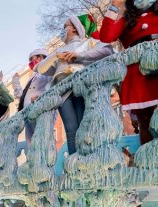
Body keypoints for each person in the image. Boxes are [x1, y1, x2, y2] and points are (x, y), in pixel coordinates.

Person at [99, 0, 158, 145]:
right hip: (138, 73)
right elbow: (106, 37)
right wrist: (114, 6)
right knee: (145, 119)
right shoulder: (127, 20)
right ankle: (148, 162)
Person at [36, 14, 114, 155]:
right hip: (63, 92)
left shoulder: (88, 43)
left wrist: (79, 56)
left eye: (64, 26)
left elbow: (108, 50)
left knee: (85, 125)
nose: (62, 30)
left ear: (73, 28)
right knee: (71, 130)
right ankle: (74, 164)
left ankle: (88, 160)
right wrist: (55, 55)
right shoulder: (58, 51)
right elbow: (41, 69)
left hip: (82, 88)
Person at [12, 48, 53, 145]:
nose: (30, 62)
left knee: (42, 141)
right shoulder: (32, 76)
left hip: (41, 110)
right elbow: (22, 97)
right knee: (30, 144)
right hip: (28, 112)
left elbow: (51, 86)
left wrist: (40, 96)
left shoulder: (49, 69)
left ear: (40, 57)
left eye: (32, 59)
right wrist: (16, 83)